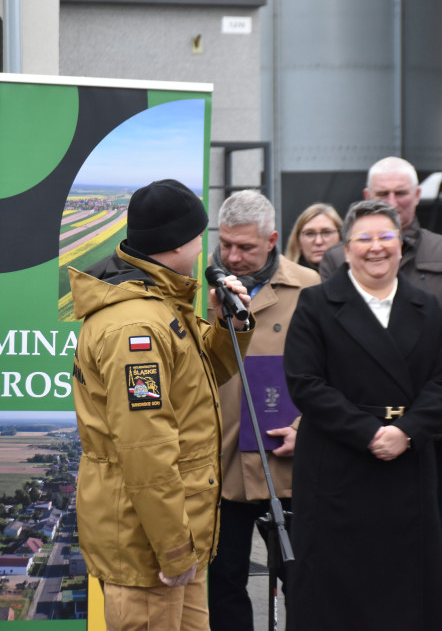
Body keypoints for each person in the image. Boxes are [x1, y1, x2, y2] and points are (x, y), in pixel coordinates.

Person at [68, 178, 253, 631]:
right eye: (200, 232)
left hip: (176, 540)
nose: (204, 243)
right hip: (151, 548)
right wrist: (173, 548)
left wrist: (231, 325)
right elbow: (144, 449)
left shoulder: (160, 301)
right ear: (178, 242)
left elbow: (202, 379)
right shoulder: (137, 328)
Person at [284, 199, 442, 630]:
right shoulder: (316, 305)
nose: (375, 248)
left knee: (405, 589)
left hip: (407, 466)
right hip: (337, 468)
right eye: (364, 238)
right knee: (336, 589)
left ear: (401, 246)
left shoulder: (426, 306)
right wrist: (370, 433)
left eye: (385, 237)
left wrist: (406, 432)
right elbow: (306, 383)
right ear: (345, 248)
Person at [319, 156, 442, 606]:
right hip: (361, 426)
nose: (393, 201)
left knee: (436, 530)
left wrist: (420, 353)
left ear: (417, 196)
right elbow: (332, 336)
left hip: (435, 424)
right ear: (367, 197)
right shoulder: (335, 259)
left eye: (401, 193)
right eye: (383, 194)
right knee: (362, 534)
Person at [205, 190, 319, 631]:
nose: (232, 256)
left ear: (272, 239)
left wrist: (304, 429)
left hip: (287, 465)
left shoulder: (310, 287)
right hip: (220, 462)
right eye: (226, 244)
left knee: (302, 580)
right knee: (223, 582)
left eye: (246, 247)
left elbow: (335, 372)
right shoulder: (198, 286)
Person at [284, 203, 342, 271]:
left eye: (326, 232)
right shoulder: (285, 279)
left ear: (341, 237)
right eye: (310, 233)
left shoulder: (354, 278)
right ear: (298, 240)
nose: (318, 241)